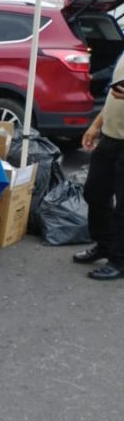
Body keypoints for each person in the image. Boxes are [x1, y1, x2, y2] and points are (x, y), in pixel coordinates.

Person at [75, 69, 124, 280]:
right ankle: (104, 245)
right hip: (110, 137)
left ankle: (119, 260)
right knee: (94, 192)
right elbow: (112, 99)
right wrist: (96, 125)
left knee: (123, 207)